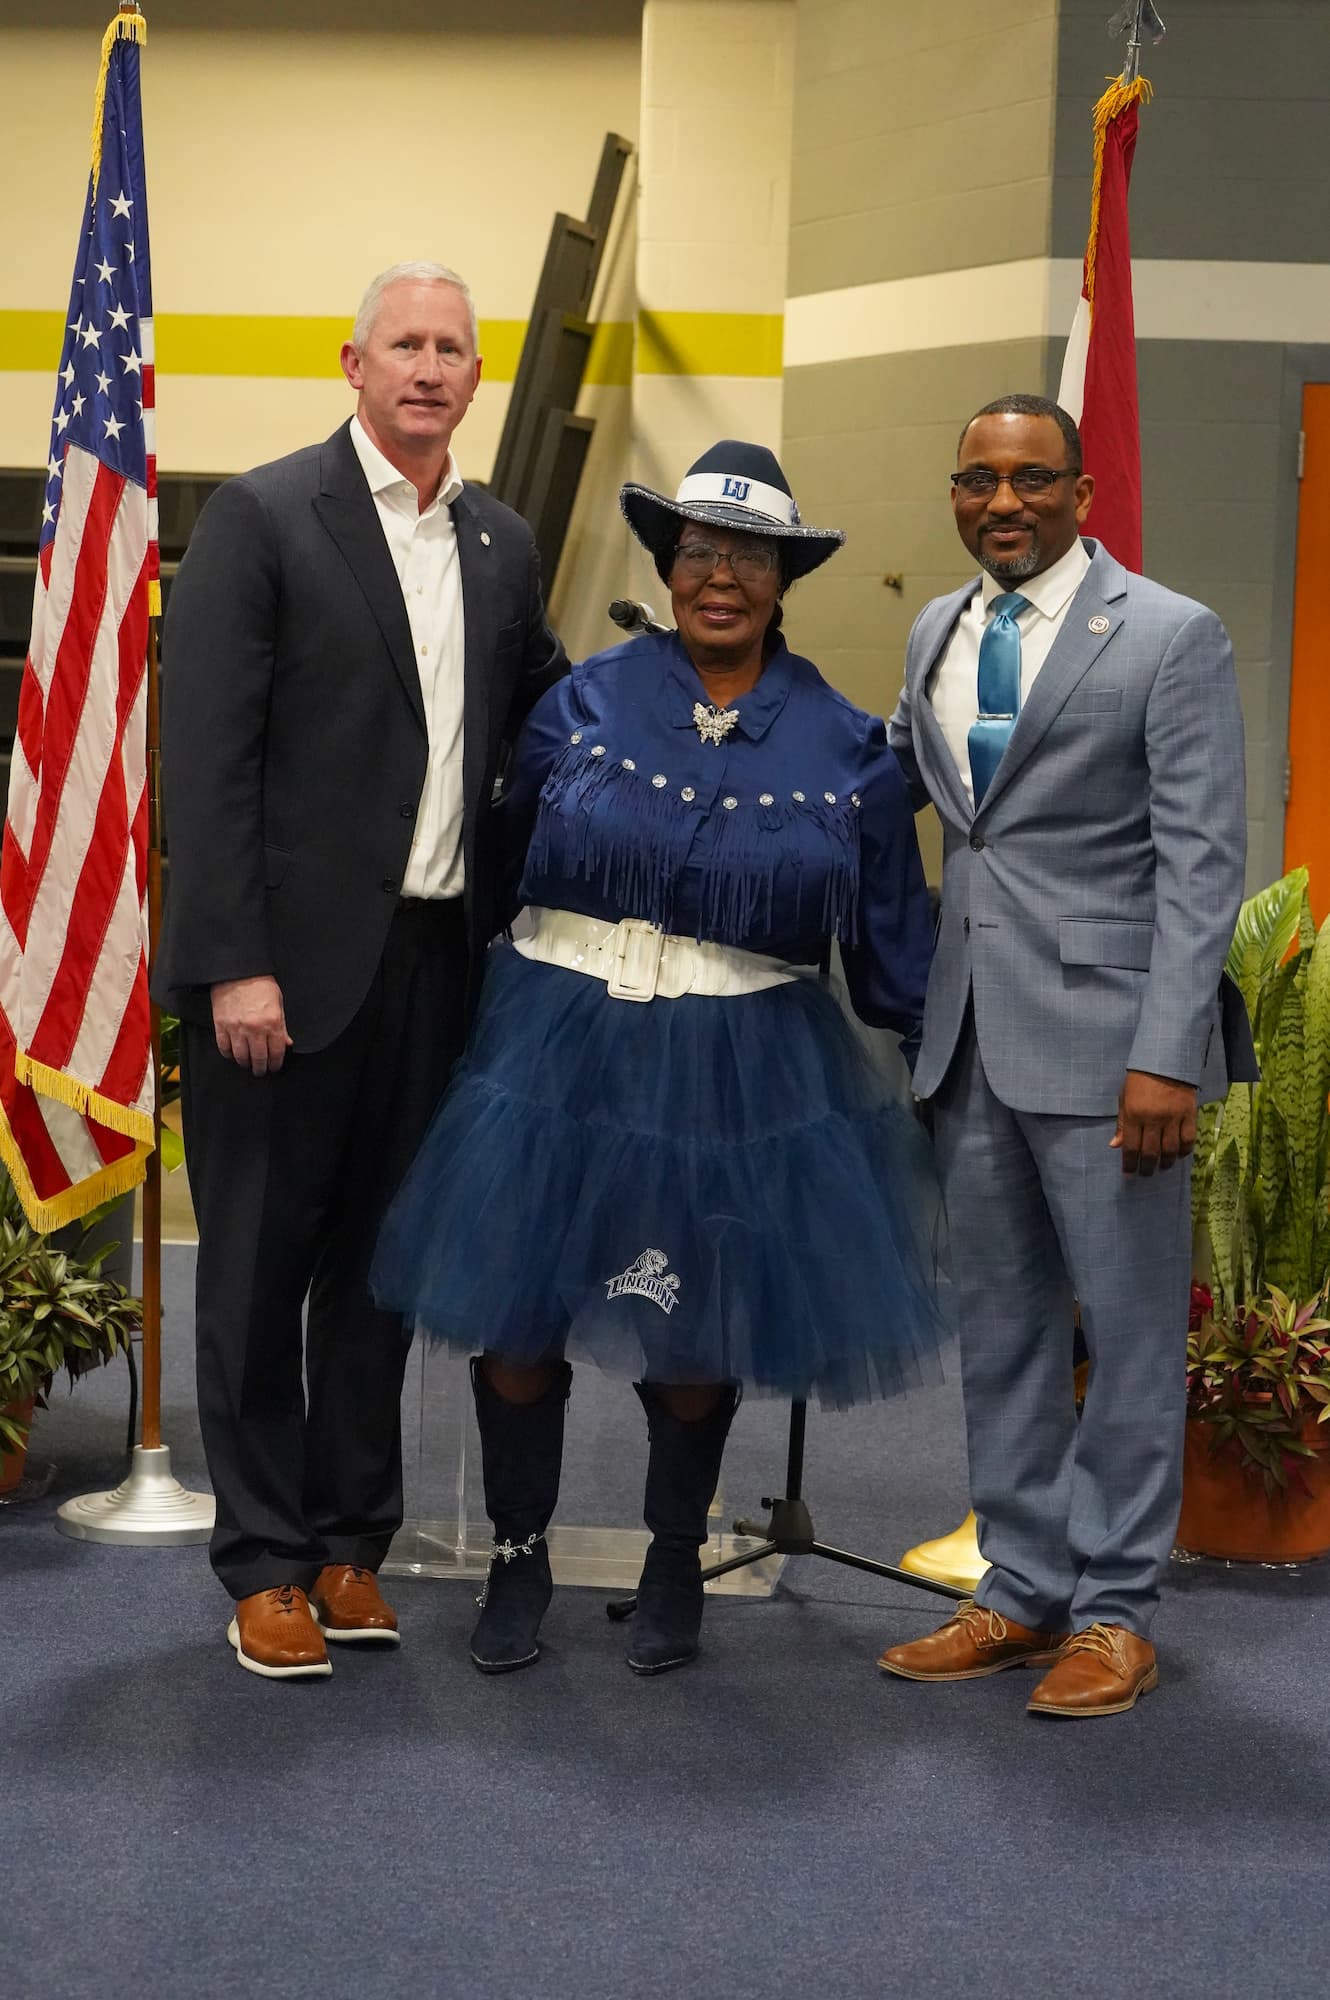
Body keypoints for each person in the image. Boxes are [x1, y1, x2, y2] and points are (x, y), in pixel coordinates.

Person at [372, 439, 947, 1677]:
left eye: (748, 555)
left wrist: (948, 1077)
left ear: (784, 576)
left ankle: (673, 1551)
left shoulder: (849, 751)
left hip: (741, 1076)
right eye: (698, 552)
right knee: (518, 1319)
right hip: (551, 1053)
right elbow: (497, 862)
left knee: (693, 1333)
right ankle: (518, 1551)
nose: (720, 576)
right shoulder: (578, 703)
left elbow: (896, 950)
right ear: (667, 564)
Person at [155, 261, 566, 1679]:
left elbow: (549, 723)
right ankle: (262, 1562)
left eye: (454, 348)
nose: (429, 367)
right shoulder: (264, 519)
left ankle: (348, 1546)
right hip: (276, 980)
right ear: (352, 362)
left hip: (435, 970)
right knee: (262, 1268)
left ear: (474, 376)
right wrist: (229, 967)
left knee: (381, 1277)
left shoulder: (500, 543)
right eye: (405, 343)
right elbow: (200, 768)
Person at [878, 393, 1255, 1718]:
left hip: (1113, 1062)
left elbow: (1202, 862)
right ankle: (1020, 1587)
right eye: (976, 479)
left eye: (1030, 480)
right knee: (1001, 1335)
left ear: (1079, 492)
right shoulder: (936, 629)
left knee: (1133, 1339)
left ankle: (1113, 1614)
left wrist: (1167, 1055)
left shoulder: (1166, 635)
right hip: (969, 1042)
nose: (1002, 503)